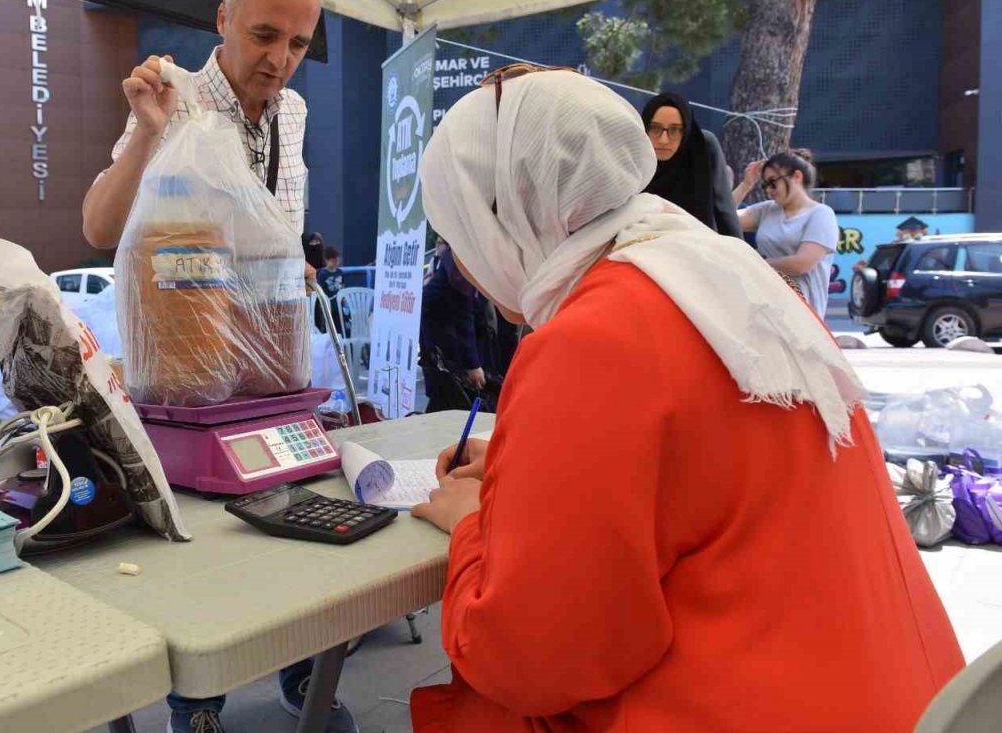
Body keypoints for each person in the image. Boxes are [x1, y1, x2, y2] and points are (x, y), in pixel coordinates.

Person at [408, 70, 963, 732]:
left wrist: (473, 522)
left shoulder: (588, 339)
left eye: (459, 232)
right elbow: (710, 465)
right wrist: (524, 460)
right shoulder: (729, 277)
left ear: (506, 218)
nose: (462, 262)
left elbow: (530, 658)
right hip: (916, 700)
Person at [81, 0, 358, 733]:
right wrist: (144, 132)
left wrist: (289, 266)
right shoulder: (175, 95)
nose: (280, 61)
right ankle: (195, 712)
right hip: (184, 371)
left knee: (291, 541)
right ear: (223, 19)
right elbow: (101, 226)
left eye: (299, 44)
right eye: (265, 35)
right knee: (200, 564)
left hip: (272, 371)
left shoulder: (294, 113)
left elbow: (271, 226)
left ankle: (306, 676)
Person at [734, 150, 839, 317]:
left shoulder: (821, 214)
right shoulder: (766, 210)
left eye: (773, 182)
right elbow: (723, 217)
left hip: (803, 314)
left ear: (797, 177)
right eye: (765, 185)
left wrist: (754, 262)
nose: (769, 189)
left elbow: (802, 264)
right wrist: (746, 184)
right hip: (765, 310)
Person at [640, 92, 741, 236]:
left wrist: (739, 254)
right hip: (638, 244)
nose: (663, 140)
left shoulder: (704, 146)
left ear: (686, 130)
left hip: (698, 245)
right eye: (655, 128)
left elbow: (724, 210)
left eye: (674, 130)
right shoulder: (635, 150)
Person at [419, 247, 484, 412]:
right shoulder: (461, 262)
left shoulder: (455, 257)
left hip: (439, 336)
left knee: (444, 397)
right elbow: (463, 314)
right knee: (449, 396)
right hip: (443, 340)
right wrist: (473, 364)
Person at [317, 246, 346, 333]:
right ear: (327, 261)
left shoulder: (340, 272)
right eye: (333, 261)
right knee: (328, 329)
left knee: (340, 328)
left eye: (337, 260)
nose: (336, 263)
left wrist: (344, 300)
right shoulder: (323, 274)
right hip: (329, 306)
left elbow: (343, 286)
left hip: (339, 306)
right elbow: (319, 290)